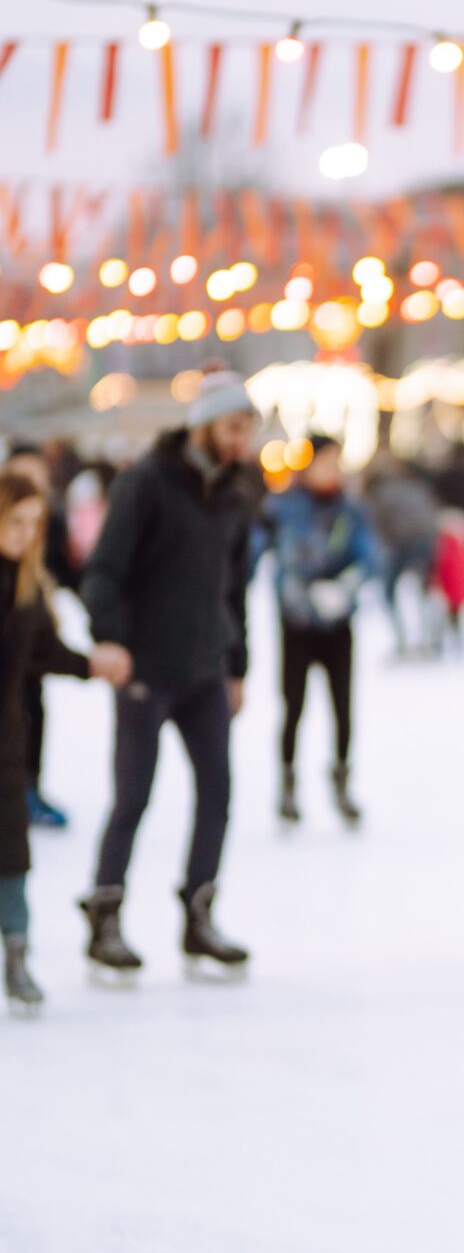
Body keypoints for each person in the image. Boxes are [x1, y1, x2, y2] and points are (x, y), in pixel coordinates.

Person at [79, 371, 258, 979]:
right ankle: (105, 915)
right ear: (205, 422)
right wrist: (109, 637)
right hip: (146, 667)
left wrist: (237, 665)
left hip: (205, 666)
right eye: (234, 427)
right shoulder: (146, 482)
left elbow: (235, 587)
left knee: (218, 793)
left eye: (247, 430)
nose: (242, 442)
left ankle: (199, 914)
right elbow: (103, 569)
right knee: (134, 795)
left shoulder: (236, 491)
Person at [0, 473, 129, 1010]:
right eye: (14, 522)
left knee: (11, 854)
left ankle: (17, 954)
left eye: (34, 524)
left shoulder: (29, 585)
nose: (25, 534)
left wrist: (90, 664)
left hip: (7, 745)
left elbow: (44, 651)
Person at [258, 435, 377, 825]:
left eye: (335, 462)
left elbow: (369, 554)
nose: (331, 470)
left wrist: (347, 584)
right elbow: (258, 550)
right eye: (324, 462)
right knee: (293, 705)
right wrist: (299, 591)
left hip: (337, 624)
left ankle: (342, 780)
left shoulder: (350, 509)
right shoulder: (282, 507)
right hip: (296, 624)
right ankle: (287, 784)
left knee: (342, 706)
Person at [5, 443, 79, 829]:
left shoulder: (49, 525)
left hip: (34, 636)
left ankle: (29, 788)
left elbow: (70, 572)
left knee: (31, 711)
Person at [363, 456, 439, 655]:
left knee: (389, 593)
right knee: (423, 593)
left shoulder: (381, 493)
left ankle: (403, 640)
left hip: (399, 546)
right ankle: (427, 639)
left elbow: (375, 525)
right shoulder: (418, 488)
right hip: (425, 544)